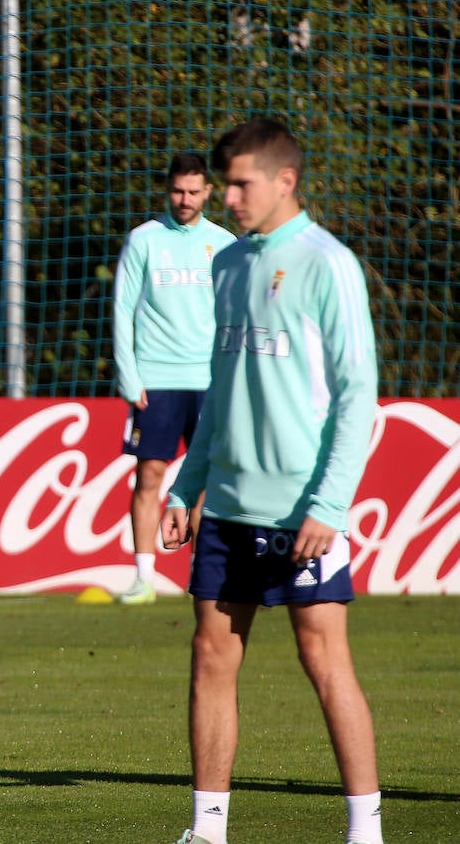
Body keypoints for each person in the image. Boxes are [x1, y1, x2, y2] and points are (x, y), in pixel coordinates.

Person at [160, 119, 382, 844]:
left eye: (241, 183)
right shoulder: (228, 266)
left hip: (302, 512)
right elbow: (220, 391)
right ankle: (209, 831)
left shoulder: (327, 263)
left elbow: (358, 395)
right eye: (223, 183)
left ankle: (365, 831)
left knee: (324, 661)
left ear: (285, 181)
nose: (228, 197)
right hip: (225, 504)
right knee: (210, 657)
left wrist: (329, 503)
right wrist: (186, 485)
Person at [112, 153, 237, 605]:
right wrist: (129, 376)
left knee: (206, 480)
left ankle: (203, 576)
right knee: (150, 475)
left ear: (207, 193)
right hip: (156, 380)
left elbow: (233, 317)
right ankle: (143, 578)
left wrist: (230, 377)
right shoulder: (144, 239)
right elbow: (123, 309)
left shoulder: (224, 243)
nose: (184, 200)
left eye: (193, 191)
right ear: (168, 191)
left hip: (209, 380)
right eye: (177, 191)